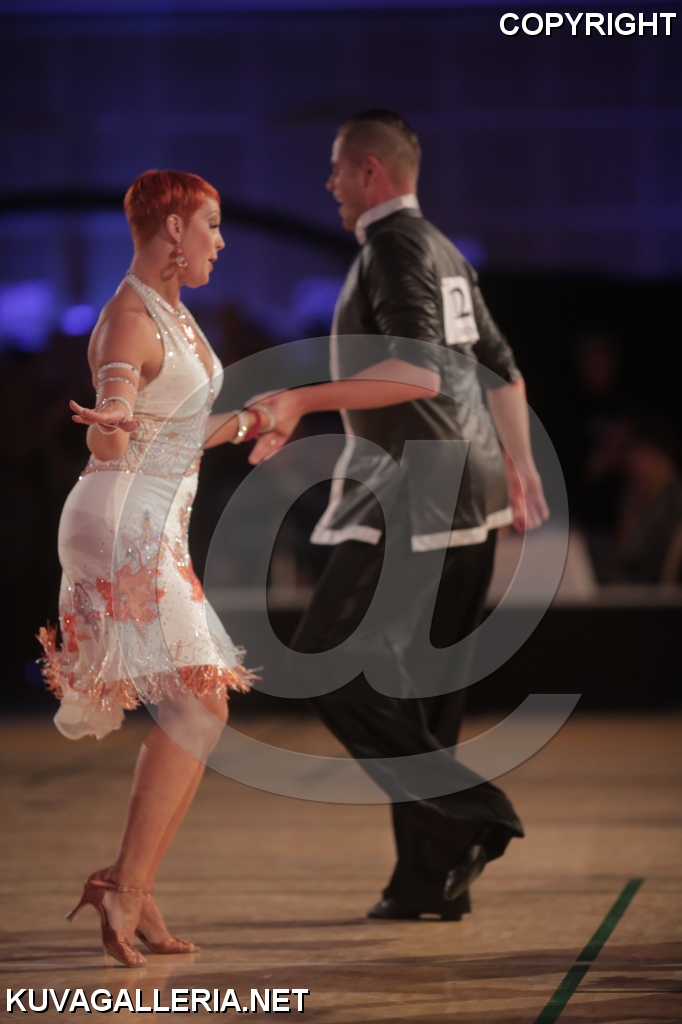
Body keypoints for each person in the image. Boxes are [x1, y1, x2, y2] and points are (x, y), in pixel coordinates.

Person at [248, 111, 549, 921]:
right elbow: (503, 369)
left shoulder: (392, 247)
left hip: (419, 483)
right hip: (469, 485)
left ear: (371, 171)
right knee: (424, 690)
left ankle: (473, 811)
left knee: (326, 660)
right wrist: (519, 468)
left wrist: (300, 399)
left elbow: (418, 376)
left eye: (337, 169)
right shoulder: (443, 248)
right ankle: (429, 880)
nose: (329, 184)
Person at [38, 170, 272, 966]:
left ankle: (129, 885)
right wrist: (110, 418)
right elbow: (117, 404)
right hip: (122, 521)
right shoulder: (129, 320)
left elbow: (172, 425)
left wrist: (249, 421)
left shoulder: (173, 311)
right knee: (200, 703)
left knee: (199, 707)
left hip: (152, 519)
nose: (220, 241)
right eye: (212, 224)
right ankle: (126, 886)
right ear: (174, 228)